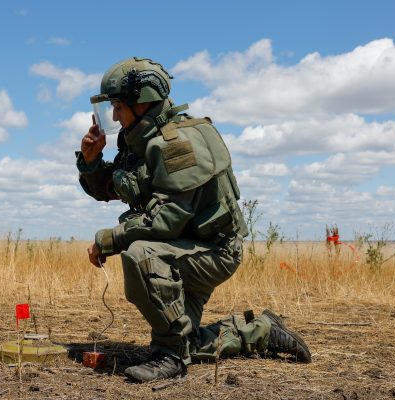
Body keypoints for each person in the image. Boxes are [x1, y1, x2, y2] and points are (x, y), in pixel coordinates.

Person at [76, 57, 311, 382]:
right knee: (184, 339)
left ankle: (170, 359)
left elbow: (165, 221)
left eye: (118, 106)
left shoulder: (176, 145)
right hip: (187, 247)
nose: (114, 115)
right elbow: (112, 188)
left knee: (140, 255)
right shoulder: (146, 141)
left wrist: (108, 240)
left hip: (212, 252)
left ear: (141, 102)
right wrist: (90, 162)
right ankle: (260, 332)